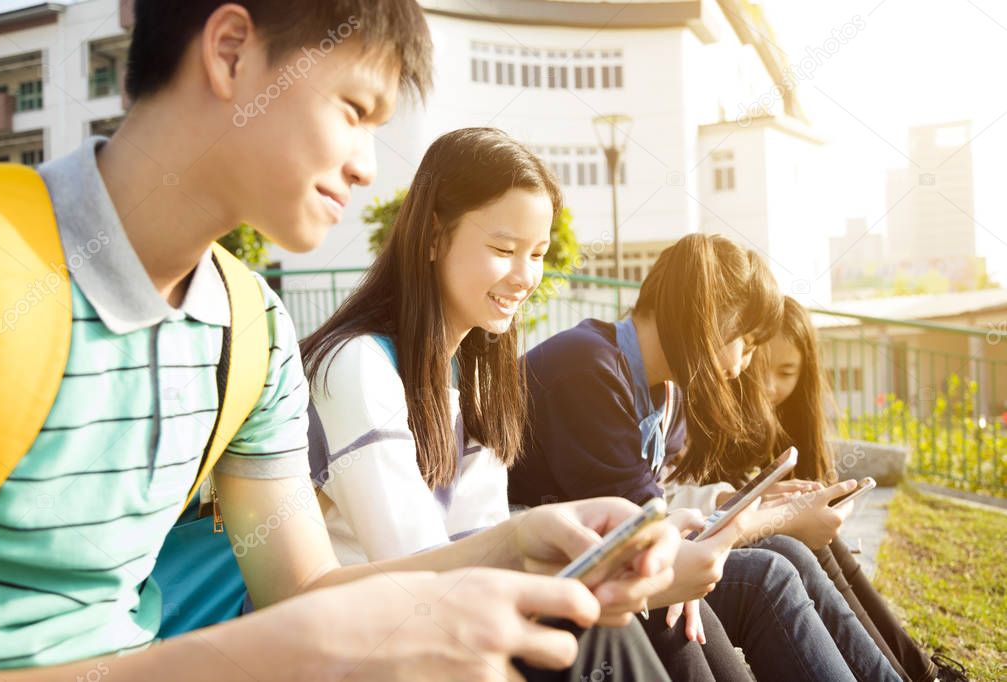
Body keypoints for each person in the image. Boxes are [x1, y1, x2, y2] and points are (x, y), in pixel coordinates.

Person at [0, 3, 674, 679]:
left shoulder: (253, 329)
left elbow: (306, 589)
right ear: (229, 52)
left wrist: (519, 542)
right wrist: (294, 647)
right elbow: (305, 626)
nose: (367, 167)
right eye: (352, 109)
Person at [301, 128, 760, 680]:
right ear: (431, 236)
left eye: (537, 254)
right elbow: (427, 570)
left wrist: (626, 560)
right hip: (361, 640)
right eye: (503, 250)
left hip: (448, 619)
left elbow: (480, 534)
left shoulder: (477, 376)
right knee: (608, 626)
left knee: (649, 613)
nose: (525, 277)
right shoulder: (357, 367)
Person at [508, 234, 902, 681]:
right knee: (767, 573)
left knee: (777, 560)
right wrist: (776, 519)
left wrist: (747, 506)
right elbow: (643, 531)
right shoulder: (588, 370)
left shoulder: (663, 390)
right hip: (546, 586)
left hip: (605, 570)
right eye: (746, 343)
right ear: (708, 315)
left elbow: (657, 503)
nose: (740, 368)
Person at [756, 296, 969, 682]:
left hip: (763, 528)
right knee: (810, 548)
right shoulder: (721, 414)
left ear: (805, 373)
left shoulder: (792, 420)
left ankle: (921, 672)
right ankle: (919, 675)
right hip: (739, 535)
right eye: (760, 369)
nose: (771, 386)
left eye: (786, 372)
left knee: (827, 548)